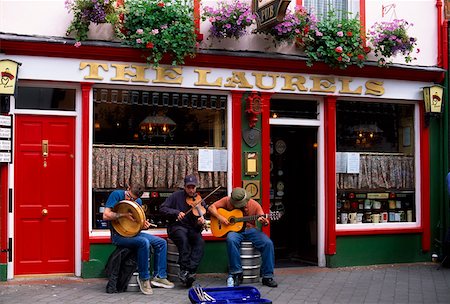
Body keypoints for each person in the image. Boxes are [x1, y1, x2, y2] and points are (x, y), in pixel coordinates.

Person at [103, 183, 174, 295]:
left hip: (133, 234)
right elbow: (106, 215)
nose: (131, 200)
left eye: (134, 199)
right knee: (143, 242)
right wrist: (123, 214)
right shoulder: (116, 195)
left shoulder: (138, 202)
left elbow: (136, 224)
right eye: (129, 197)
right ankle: (144, 278)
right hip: (119, 236)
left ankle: (159, 276)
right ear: (128, 188)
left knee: (161, 242)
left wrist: (143, 224)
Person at [208, 187, 278, 288]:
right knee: (231, 239)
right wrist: (221, 218)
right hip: (235, 231)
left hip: (250, 230)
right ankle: (236, 273)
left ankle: (267, 276)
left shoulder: (254, 204)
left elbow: (263, 219)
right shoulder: (227, 201)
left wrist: (265, 222)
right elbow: (211, 207)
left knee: (268, 243)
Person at [159, 174, 206, 287]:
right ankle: (184, 269)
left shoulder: (200, 201)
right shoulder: (176, 196)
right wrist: (176, 212)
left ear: (196, 188)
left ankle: (190, 270)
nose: (191, 190)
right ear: (184, 187)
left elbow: (200, 220)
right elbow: (162, 208)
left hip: (192, 228)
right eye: (188, 187)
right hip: (177, 226)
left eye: (193, 187)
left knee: (200, 242)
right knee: (183, 238)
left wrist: (200, 223)